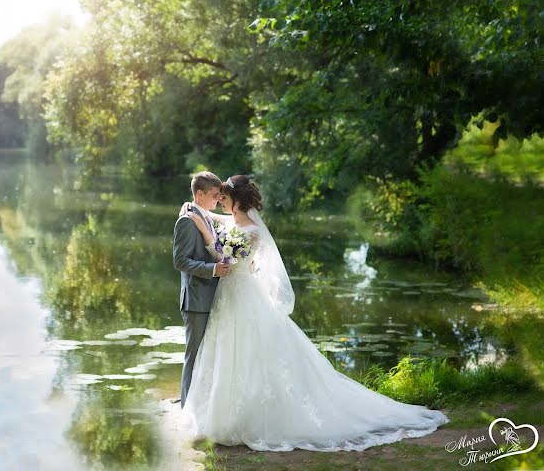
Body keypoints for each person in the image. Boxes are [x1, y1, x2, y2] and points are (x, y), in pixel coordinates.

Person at [180, 174, 449, 452]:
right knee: (226, 351)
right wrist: (196, 213)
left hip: (242, 295)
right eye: (218, 197)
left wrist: (201, 225)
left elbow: (225, 257)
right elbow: (216, 222)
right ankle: (219, 413)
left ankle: (252, 417)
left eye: (223, 198)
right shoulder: (233, 222)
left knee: (251, 352)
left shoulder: (253, 232)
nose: (220, 203)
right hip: (228, 296)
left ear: (237, 202)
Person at [172, 171, 231, 408]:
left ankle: (202, 405)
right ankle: (187, 407)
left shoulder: (204, 215)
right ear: (200, 194)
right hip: (196, 299)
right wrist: (212, 269)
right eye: (214, 195)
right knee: (194, 356)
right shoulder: (186, 221)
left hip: (212, 297)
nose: (218, 199)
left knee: (207, 357)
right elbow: (180, 261)